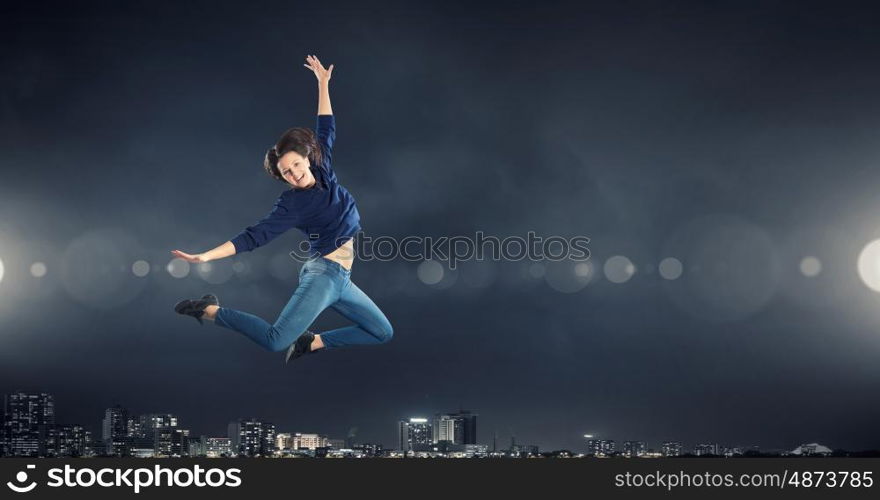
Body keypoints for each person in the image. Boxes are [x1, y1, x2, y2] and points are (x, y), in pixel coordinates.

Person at [171, 54, 393, 364]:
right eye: (286, 172)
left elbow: (326, 126)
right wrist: (206, 255)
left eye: (296, 165)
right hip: (323, 276)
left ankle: (312, 342)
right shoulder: (293, 204)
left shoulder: (323, 167)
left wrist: (323, 83)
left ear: (306, 158)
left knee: (382, 332)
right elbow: (254, 237)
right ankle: (207, 309)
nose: (295, 174)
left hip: (343, 279)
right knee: (275, 342)